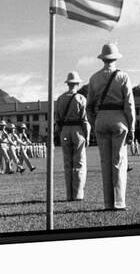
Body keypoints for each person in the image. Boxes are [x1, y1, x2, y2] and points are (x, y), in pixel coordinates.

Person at [87, 43, 136, 210]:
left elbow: (89, 106)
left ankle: (108, 203)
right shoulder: (123, 77)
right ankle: (119, 202)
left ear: (102, 59)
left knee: (105, 162)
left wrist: (95, 122)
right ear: (115, 58)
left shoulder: (94, 78)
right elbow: (129, 104)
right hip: (119, 120)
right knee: (119, 162)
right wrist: (132, 126)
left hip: (101, 119)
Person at [56, 71, 90, 201]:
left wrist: (60, 133)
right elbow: (85, 119)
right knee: (79, 163)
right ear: (77, 83)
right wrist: (87, 136)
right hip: (77, 130)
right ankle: (78, 194)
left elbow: (57, 119)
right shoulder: (81, 98)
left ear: (68, 84)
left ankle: (69, 195)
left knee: (67, 163)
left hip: (64, 130)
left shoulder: (60, 99)